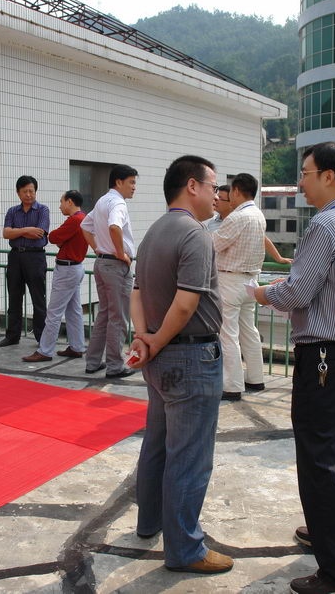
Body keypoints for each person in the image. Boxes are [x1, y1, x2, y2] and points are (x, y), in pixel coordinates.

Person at [253, 142, 335, 594]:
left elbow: (298, 292)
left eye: (304, 173)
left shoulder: (325, 224)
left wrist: (262, 293)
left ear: (328, 176)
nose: (300, 182)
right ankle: (332, 537)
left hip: (323, 355)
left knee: (318, 461)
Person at [128, 155, 232, 575]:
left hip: (160, 357)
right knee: (189, 457)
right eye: (213, 186)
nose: (217, 195)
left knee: (158, 445)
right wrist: (154, 339)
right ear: (192, 186)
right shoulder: (195, 234)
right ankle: (186, 549)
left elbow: (137, 293)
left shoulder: (153, 232)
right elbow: (187, 303)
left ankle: (150, 522)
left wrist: (144, 337)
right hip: (190, 357)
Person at [213, 173, 269, 402]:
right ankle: (256, 378)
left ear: (236, 191)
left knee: (228, 334)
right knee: (249, 331)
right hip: (251, 281)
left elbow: (214, 244)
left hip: (230, 280)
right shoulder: (259, 215)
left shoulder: (237, 217)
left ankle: (232, 385)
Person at [80, 164, 138, 379]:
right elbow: (115, 226)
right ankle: (115, 365)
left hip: (102, 263)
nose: (134, 187)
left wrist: (98, 248)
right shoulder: (118, 203)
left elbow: (85, 226)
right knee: (118, 316)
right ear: (119, 182)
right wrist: (121, 254)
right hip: (115, 265)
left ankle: (93, 361)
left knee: (104, 314)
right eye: (131, 182)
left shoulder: (102, 201)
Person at [23, 190, 87, 362]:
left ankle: (45, 350)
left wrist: (59, 239)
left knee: (54, 312)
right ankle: (77, 346)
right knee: (74, 310)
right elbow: (59, 239)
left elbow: (53, 237)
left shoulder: (74, 220)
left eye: (61, 202)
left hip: (67, 269)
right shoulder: (83, 218)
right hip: (75, 268)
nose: (60, 206)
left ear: (70, 202)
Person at [0, 176, 50, 347]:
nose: (28, 194)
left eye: (31, 191)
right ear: (18, 193)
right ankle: (12, 336)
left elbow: (39, 233)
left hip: (35, 257)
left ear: (35, 191)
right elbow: (6, 233)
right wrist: (27, 230)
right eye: (25, 191)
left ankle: (42, 337)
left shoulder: (43, 210)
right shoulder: (12, 211)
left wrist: (17, 231)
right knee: (14, 297)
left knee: (38, 298)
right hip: (15, 257)